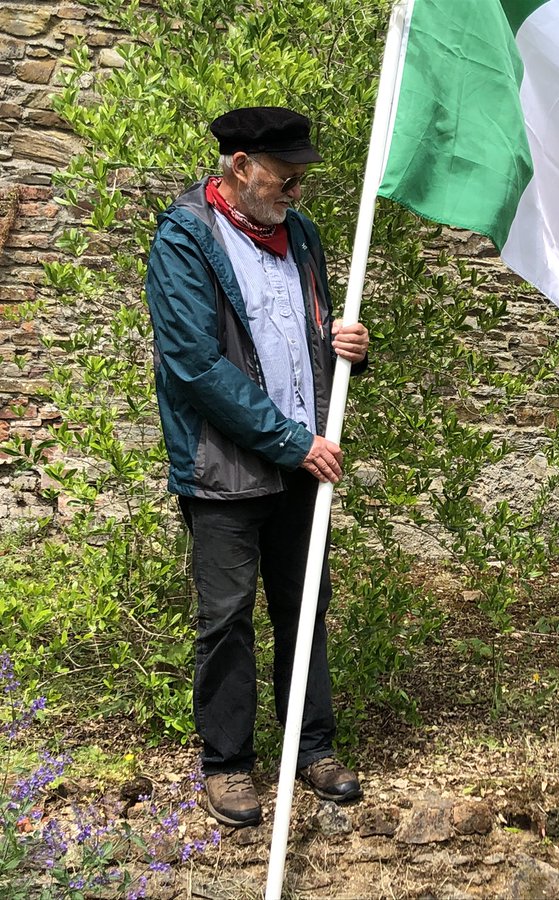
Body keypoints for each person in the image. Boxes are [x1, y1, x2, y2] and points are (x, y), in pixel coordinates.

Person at [144, 107, 370, 827]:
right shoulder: (185, 237)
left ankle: (312, 750)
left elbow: (308, 335)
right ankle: (229, 765)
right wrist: (287, 440)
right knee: (227, 619)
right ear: (239, 167)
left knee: (306, 610)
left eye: (300, 180)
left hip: (303, 460)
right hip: (224, 468)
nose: (295, 193)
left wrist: (348, 345)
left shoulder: (299, 235)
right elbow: (196, 367)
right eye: (285, 178)